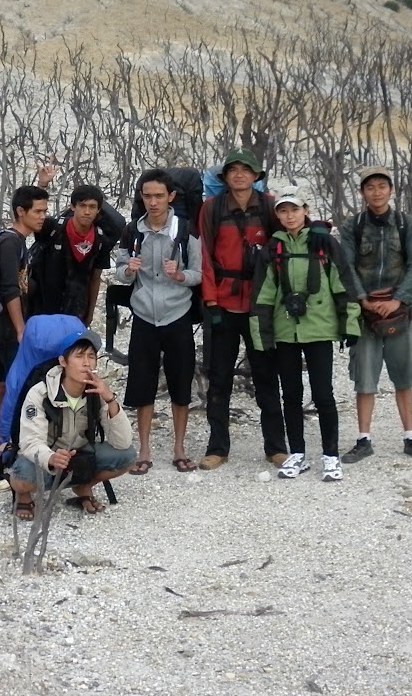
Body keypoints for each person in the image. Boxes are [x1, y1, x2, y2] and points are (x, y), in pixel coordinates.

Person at [249, 186, 355, 482]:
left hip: (319, 329)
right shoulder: (273, 249)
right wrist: (263, 337)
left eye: (294, 209)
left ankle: (331, 455)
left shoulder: (324, 244)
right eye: (283, 210)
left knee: (324, 395)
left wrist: (350, 325)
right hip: (286, 332)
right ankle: (297, 453)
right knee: (291, 395)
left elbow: (343, 284)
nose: (289, 215)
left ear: (305, 211)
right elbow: (263, 296)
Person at [334, 168, 412, 463]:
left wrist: (398, 300)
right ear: (362, 192)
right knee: (364, 379)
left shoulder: (407, 225)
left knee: (404, 377)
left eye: (382, 186)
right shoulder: (352, 226)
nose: (376, 192)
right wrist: (363, 300)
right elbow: (346, 266)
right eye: (370, 187)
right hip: (364, 314)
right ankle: (363, 439)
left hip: (399, 312)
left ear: (391, 190)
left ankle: (410, 437)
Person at [106, 169, 202, 473]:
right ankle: (144, 450)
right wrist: (128, 271)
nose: (153, 201)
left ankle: (179, 448)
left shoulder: (186, 231)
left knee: (181, 382)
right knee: (142, 383)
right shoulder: (132, 231)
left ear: (171, 197)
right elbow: (119, 270)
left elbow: (199, 274)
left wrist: (180, 275)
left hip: (178, 314)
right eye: (147, 195)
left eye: (159, 195)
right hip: (145, 315)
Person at [196, 149, 284, 470]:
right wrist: (209, 300)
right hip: (222, 302)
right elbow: (203, 254)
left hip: (260, 304)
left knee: (265, 374)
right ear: (225, 177)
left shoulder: (271, 206)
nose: (239, 175)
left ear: (256, 175)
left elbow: (286, 243)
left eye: (246, 170)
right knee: (219, 377)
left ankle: (275, 445)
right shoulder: (212, 208)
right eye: (233, 170)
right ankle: (217, 447)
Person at [7, 331, 136, 519]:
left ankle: (83, 486)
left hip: (79, 455)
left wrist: (110, 399)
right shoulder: (40, 393)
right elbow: (30, 441)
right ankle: (24, 496)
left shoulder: (97, 390)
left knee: (128, 456)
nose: (87, 363)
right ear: (63, 362)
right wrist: (51, 457)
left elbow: (122, 442)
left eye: (91, 356)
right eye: (79, 356)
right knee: (22, 476)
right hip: (48, 455)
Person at [0, 184, 50, 482]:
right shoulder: (11, 243)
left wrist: (41, 183)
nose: (43, 217)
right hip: (8, 330)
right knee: (16, 388)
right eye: (38, 211)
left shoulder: (11, 239)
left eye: (45, 210)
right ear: (21, 212)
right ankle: (10, 448)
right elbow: (11, 288)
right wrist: (21, 329)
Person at [35, 184, 118, 325]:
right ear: (73, 207)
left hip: (77, 310)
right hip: (44, 307)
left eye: (92, 207)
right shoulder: (53, 228)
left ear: (98, 210)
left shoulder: (101, 240)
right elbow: (31, 214)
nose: (87, 211)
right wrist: (42, 185)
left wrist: (90, 313)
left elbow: (95, 278)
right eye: (82, 205)